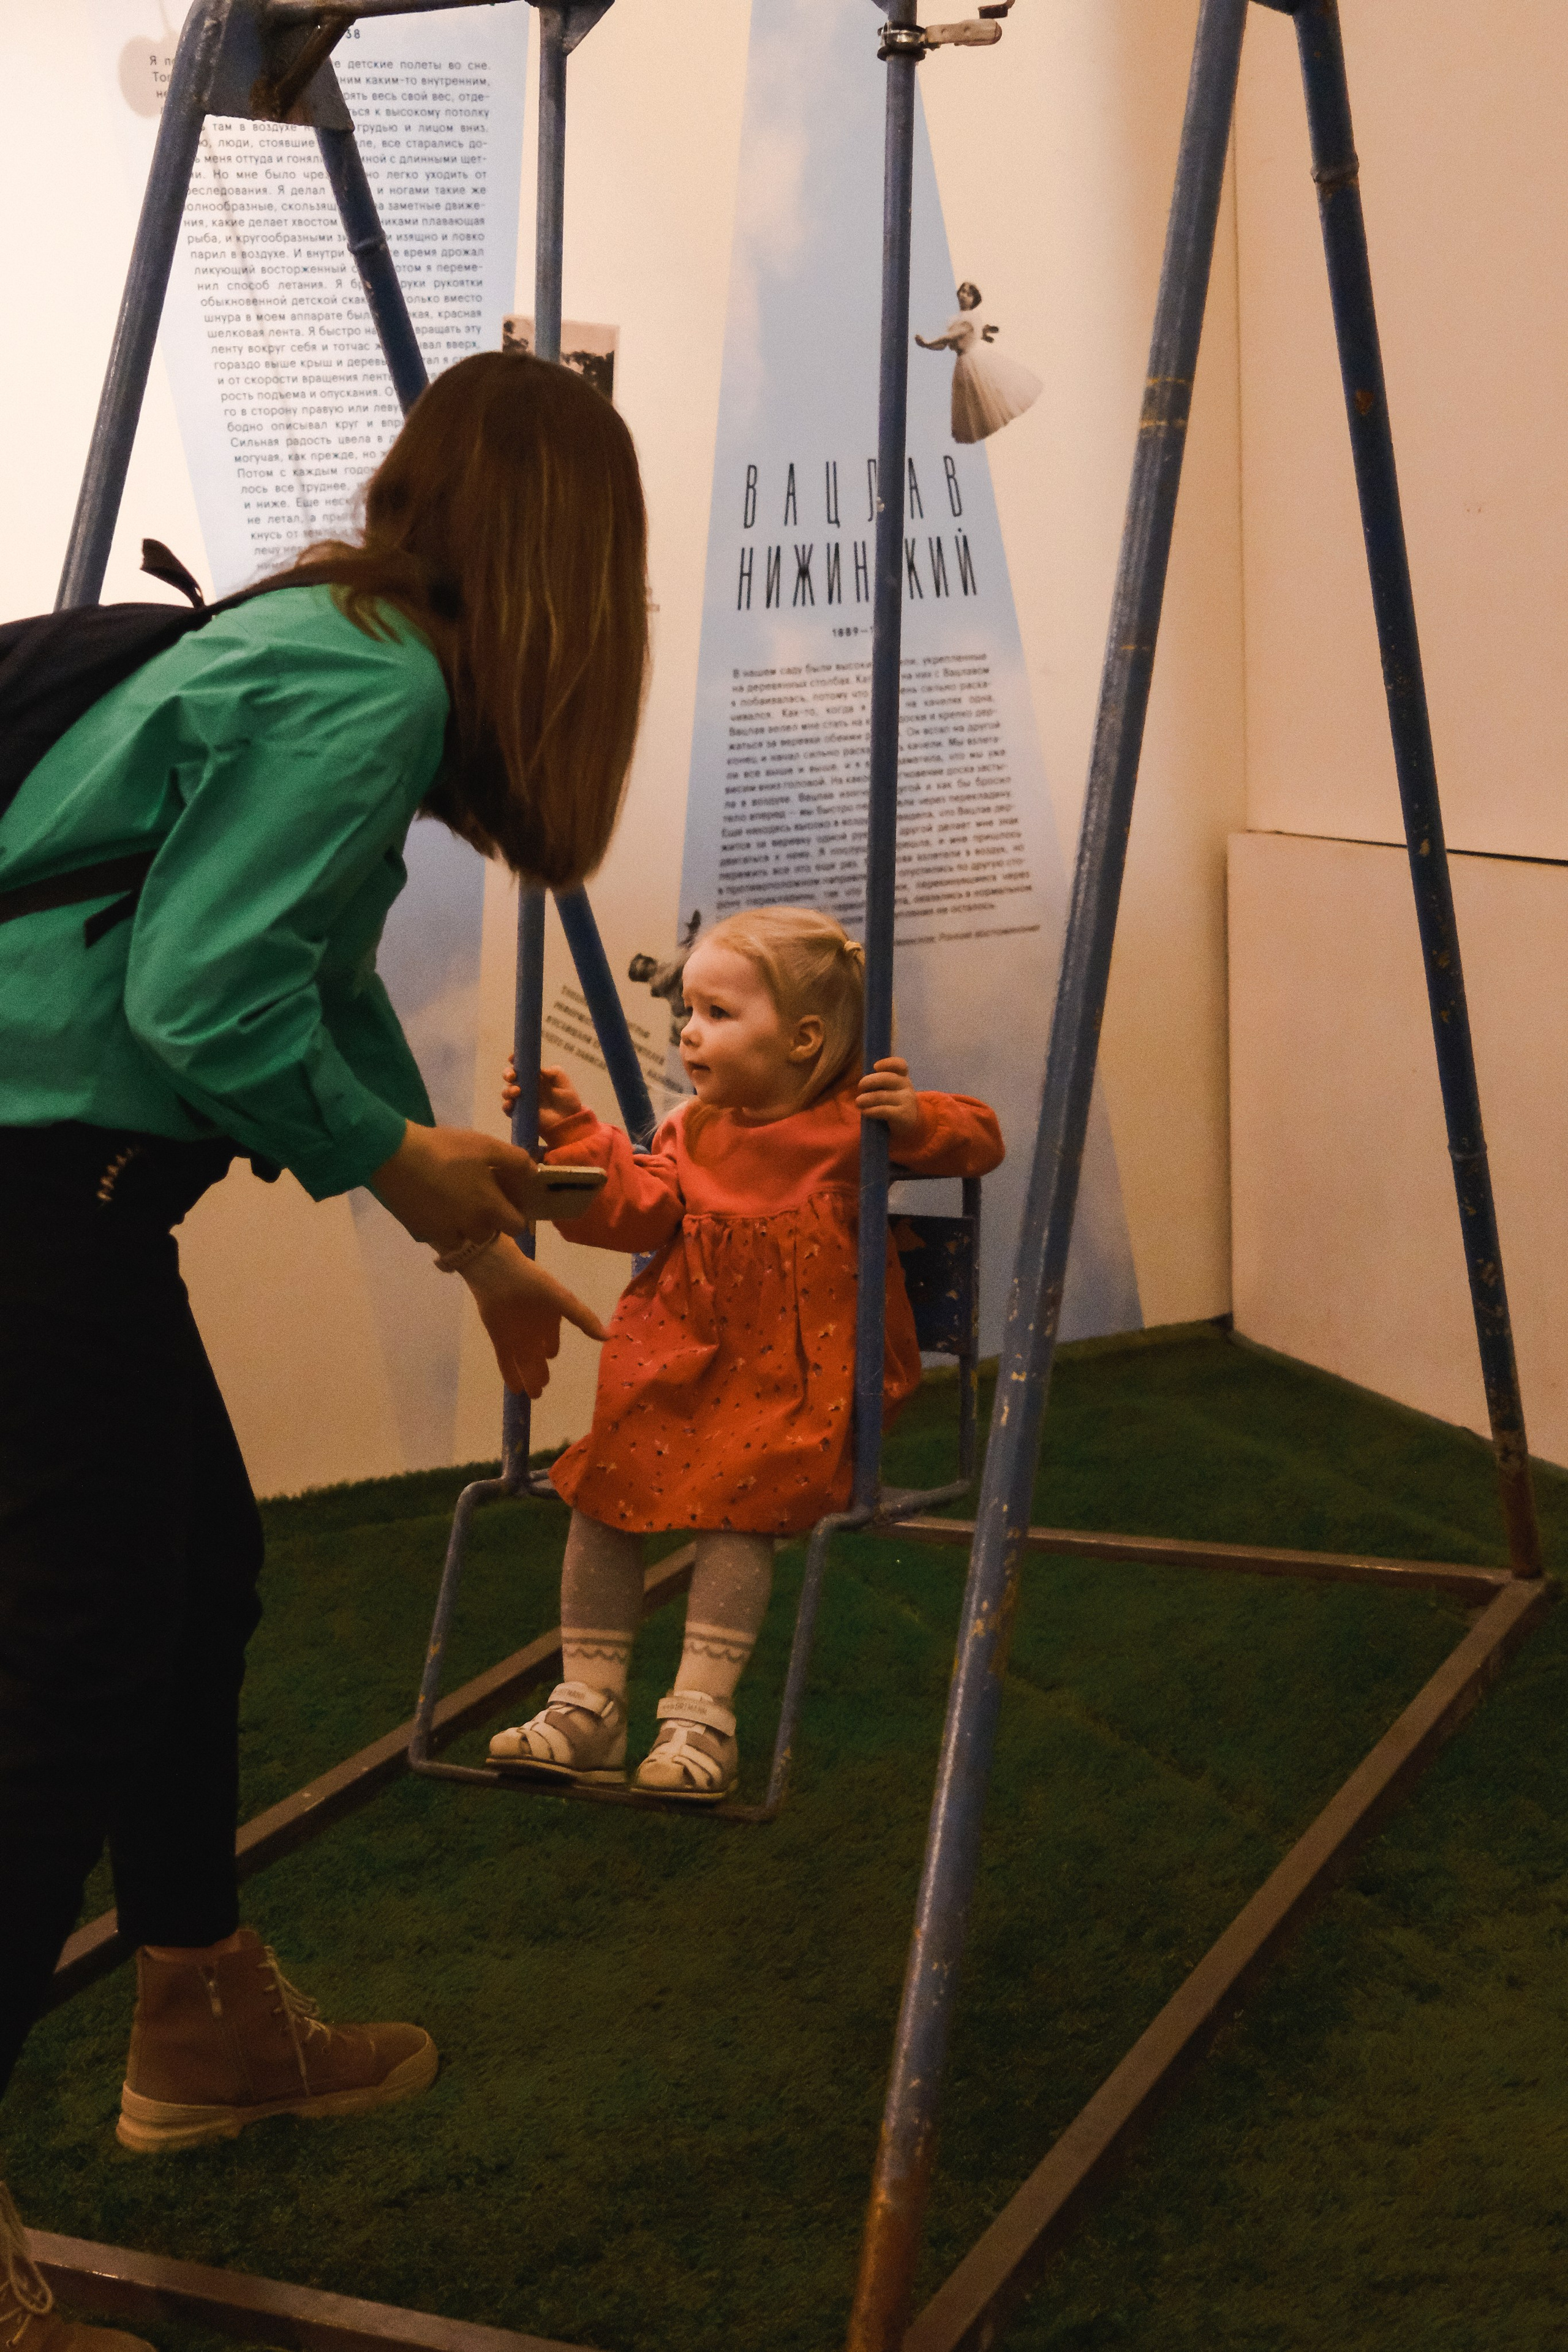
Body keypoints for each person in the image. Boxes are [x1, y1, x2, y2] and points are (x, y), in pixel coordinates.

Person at [0, 352, 647, 2346]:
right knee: (70, 1671)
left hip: (67, 1200)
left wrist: (468, 1245)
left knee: (191, 1587)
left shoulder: (327, 635)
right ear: (574, 569)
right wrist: (396, 1162)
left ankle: (201, 2020)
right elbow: (205, 1000)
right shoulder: (375, 688)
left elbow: (302, 974)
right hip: (34, 1195)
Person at [485, 905, 1004, 1803]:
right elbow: (635, 1216)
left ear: (804, 1040)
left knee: (740, 1506)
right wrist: (573, 1135)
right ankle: (589, 1703)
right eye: (687, 1011)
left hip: (797, 1379)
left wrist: (915, 1118)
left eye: (717, 1014)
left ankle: (700, 1716)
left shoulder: (853, 1126)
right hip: (683, 1363)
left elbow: (980, 1136)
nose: (689, 1031)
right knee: (601, 1494)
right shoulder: (688, 1131)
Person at [916, 279, 1042, 444]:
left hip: (972, 362)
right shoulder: (955, 319)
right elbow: (943, 345)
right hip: (962, 364)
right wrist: (927, 346)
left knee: (984, 400)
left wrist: (928, 342)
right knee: (970, 404)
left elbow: (951, 337)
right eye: (963, 291)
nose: (964, 295)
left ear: (974, 301)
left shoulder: (970, 318)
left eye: (969, 294)